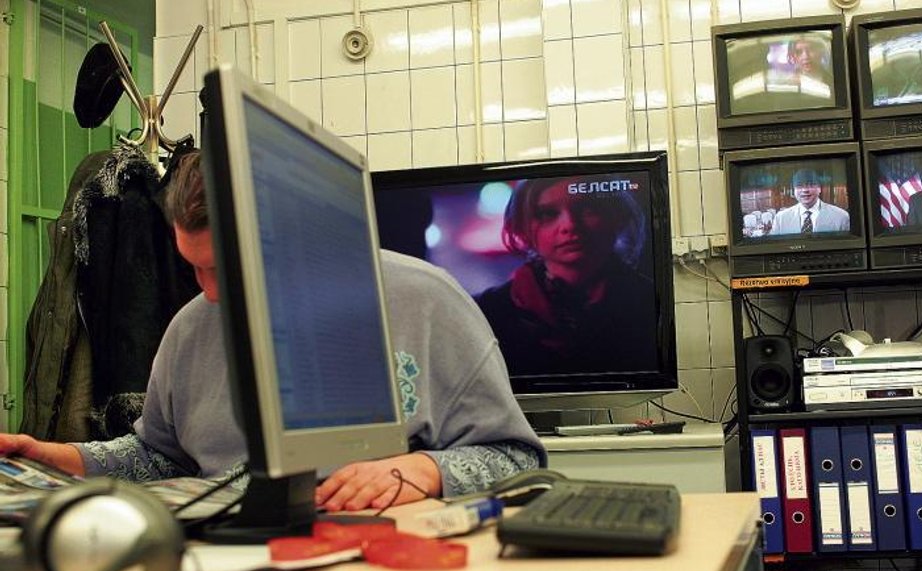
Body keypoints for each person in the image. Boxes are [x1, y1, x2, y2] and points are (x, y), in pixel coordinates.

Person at [0, 153, 546, 512]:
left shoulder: (425, 301)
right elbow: (162, 459)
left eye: (230, 269)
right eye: (194, 267)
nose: (209, 292)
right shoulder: (190, 328)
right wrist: (64, 460)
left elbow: (518, 460)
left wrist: (425, 468)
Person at [475, 176, 658, 376]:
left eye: (588, 208)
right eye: (548, 214)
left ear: (616, 216)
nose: (569, 225)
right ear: (521, 228)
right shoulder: (488, 311)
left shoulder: (649, 302)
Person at [770, 168, 850, 236]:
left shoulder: (841, 217)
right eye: (799, 186)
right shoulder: (780, 218)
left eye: (810, 185)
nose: (805, 190)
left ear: (819, 189)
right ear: (793, 190)